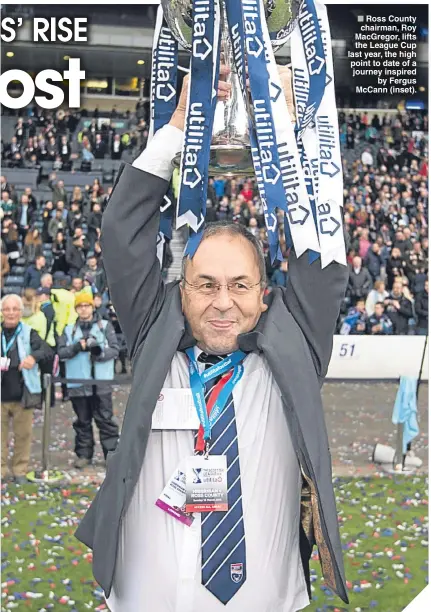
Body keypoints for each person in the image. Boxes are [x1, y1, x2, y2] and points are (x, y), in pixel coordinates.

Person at [75, 68, 349, 610]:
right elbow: (120, 234)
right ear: (182, 291)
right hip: (144, 596)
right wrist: (179, 127)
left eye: (240, 285)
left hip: (264, 598)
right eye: (205, 285)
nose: (223, 302)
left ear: (264, 294)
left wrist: (288, 139)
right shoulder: (156, 334)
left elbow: (323, 257)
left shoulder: (295, 346)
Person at [57, 293, 120, 469]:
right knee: (82, 421)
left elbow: (115, 349)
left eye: (87, 305)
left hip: (101, 383)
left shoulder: (105, 326)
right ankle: (84, 455)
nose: (84, 309)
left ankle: (111, 455)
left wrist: (99, 353)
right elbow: (61, 353)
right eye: (80, 306)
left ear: (93, 307)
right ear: (76, 309)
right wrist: (78, 347)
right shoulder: (69, 329)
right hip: (78, 382)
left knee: (105, 420)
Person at [1, 294, 53, 483]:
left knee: (23, 436)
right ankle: (1, 471)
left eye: (15, 309)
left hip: (23, 393)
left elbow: (47, 350)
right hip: (1, 395)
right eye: (7, 309)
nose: (11, 313)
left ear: (21, 311)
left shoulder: (29, 332)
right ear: (2, 312)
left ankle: (19, 471)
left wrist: (33, 358)